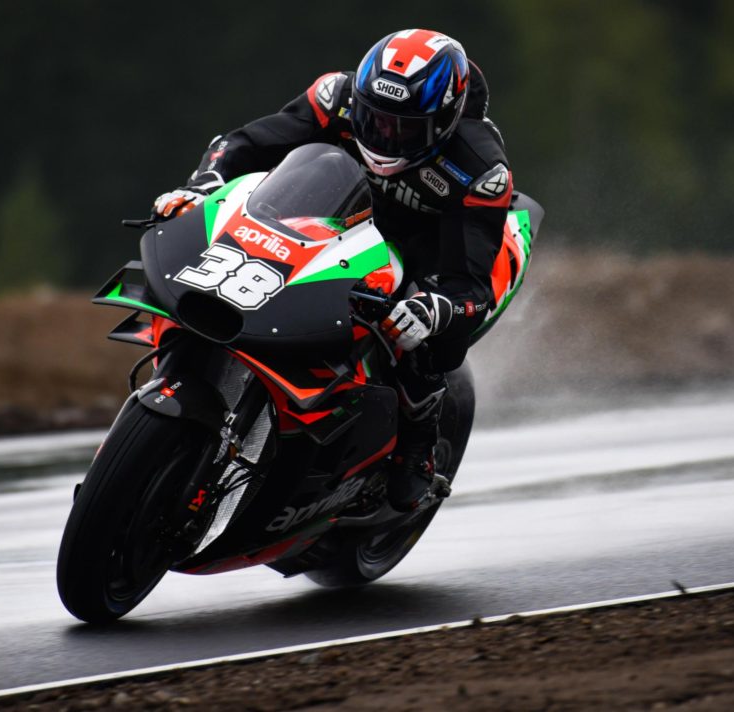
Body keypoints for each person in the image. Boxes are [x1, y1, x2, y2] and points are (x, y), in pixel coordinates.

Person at [152, 29, 513, 511]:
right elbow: (245, 144)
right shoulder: (334, 96)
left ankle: (417, 442)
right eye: (374, 119)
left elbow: (471, 285)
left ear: (443, 122)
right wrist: (202, 186)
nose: (384, 136)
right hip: (335, 212)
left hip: (427, 244)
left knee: (421, 337)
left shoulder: (481, 170)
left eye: (404, 129)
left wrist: (436, 308)